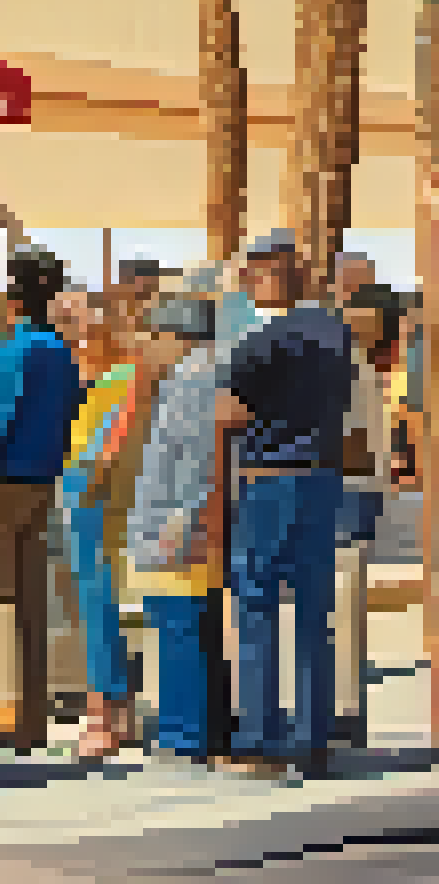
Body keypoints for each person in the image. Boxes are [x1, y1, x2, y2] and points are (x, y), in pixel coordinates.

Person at [218, 231, 356, 778]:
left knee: (255, 606)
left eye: (253, 273)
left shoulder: (261, 340)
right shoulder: (336, 333)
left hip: (267, 477)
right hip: (321, 479)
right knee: (314, 610)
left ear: (273, 273)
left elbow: (229, 415)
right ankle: (311, 734)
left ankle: (259, 737)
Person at [0, 248, 83, 753]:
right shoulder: (60, 352)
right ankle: (31, 714)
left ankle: (2, 709)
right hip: (43, 482)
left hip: (3, 483)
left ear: (12, 296)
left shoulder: (13, 352)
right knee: (30, 600)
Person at [127, 293, 228, 766]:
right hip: (185, 520)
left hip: (177, 524)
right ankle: (202, 729)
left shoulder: (193, 381)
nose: (148, 347)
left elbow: (197, 459)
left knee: (179, 627)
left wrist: (179, 521)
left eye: (154, 336)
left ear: (177, 337)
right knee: (194, 627)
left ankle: (184, 734)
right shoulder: (202, 375)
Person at [56, 293, 148, 758]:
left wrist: (95, 477)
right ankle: (118, 708)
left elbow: (117, 439)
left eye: (86, 328)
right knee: (97, 598)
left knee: (97, 600)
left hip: (95, 486)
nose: (78, 339)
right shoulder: (106, 374)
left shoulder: (127, 375)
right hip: (90, 483)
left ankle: (103, 714)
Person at [333, 284, 403, 748]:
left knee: (343, 602)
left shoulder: (352, 369)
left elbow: (356, 446)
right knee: (340, 604)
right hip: (352, 492)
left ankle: (344, 711)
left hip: (348, 493)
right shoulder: (356, 367)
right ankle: (342, 709)